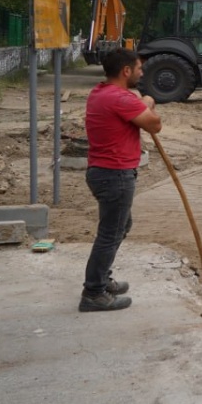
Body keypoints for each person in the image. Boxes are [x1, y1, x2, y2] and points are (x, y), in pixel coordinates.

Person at [80, 48, 162, 312]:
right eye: (138, 68)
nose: (141, 72)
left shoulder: (100, 92)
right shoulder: (120, 99)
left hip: (104, 172)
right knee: (110, 233)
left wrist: (139, 100)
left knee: (121, 225)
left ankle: (101, 280)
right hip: (115, 174)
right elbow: (154, 125)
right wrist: (147, 101)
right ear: (126, 71)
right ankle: (93, 293)